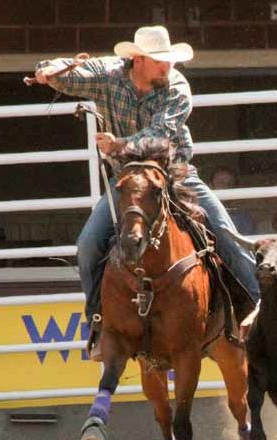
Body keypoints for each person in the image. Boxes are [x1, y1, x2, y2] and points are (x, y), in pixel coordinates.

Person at [31, 25, 259, 359]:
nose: (167, 67)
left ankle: (258, 311)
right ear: (137, 60)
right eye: (159, 61)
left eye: (169, 60)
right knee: (88, 245)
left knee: (226, 233)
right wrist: (48, 72)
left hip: (175, 174)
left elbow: (160, 134)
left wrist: (120, 145)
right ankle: (99, 319)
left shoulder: (177, 86)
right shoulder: (109, 74)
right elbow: (68, 73)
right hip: (127, 181)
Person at [210, 165, 255, 234]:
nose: (225, 187)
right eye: (221, 182)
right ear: (211, 186)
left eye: (230, 183)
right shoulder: (203, 213)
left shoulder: (243, 218)